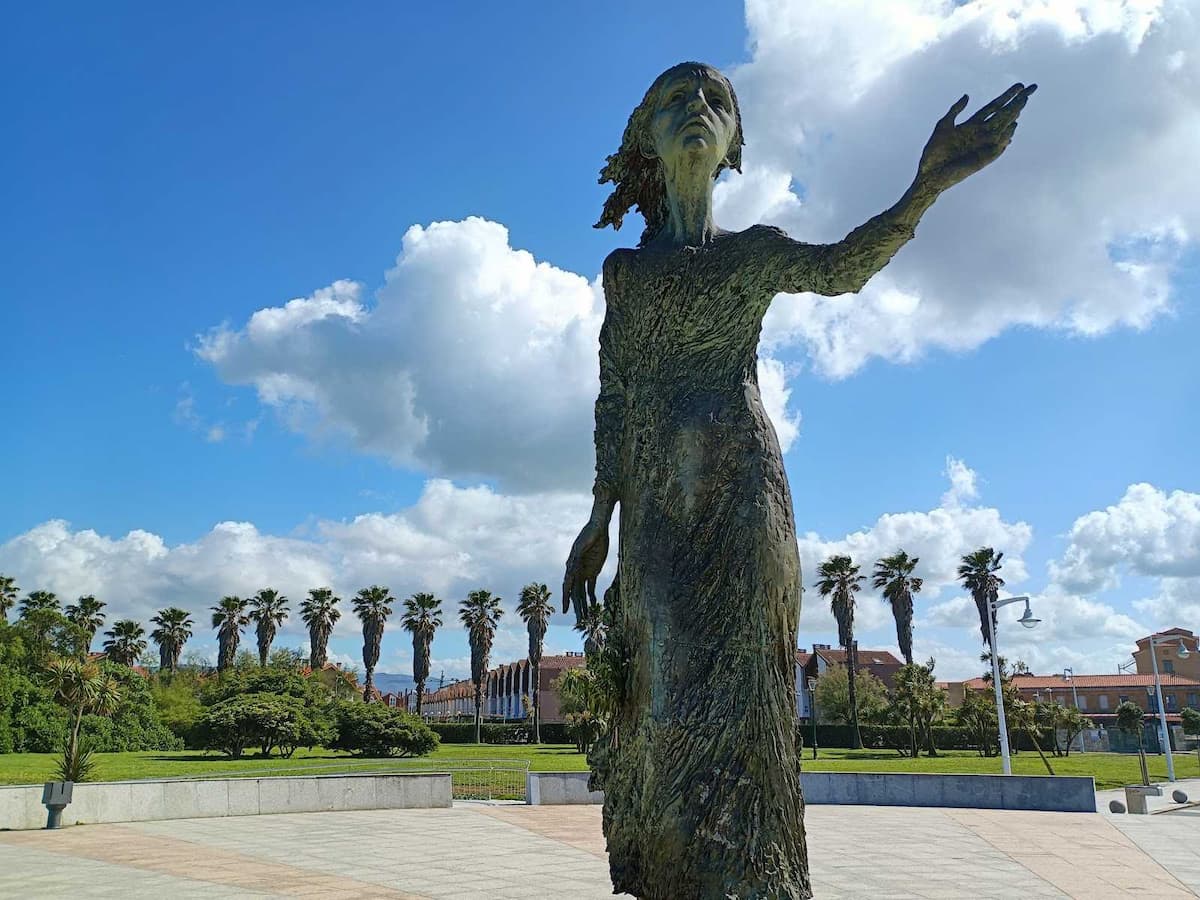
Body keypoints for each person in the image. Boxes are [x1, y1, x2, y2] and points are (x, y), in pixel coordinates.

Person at [563, 61, 1034, 899]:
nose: (697, 111)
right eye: (675, 100)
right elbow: (614, 395)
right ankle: (671, 875)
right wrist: (599, 518)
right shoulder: (626, 276)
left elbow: (843, 268)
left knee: (747, 698)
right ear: (645, 136)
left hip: (743, 499)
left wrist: (925, 187)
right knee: (660, 697)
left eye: (715, 101)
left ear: (734, 142)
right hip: (658, 510)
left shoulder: (755, 254)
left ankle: (755, 881)